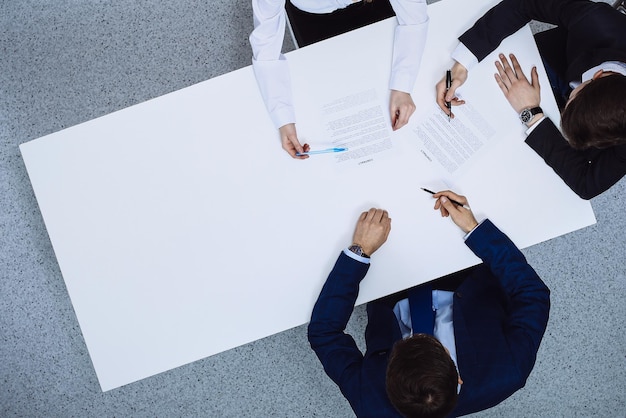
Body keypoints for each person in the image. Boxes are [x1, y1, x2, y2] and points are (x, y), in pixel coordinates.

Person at [308, 191, 550, 417]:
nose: (417, 330)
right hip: (464, 273)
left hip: (388, 285)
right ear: (458, 378)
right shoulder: (509, 371)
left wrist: (358, 252)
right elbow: (532, 293)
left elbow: (324, 333)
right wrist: (474, 229)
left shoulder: (370, 403)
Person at [435, 0, 626, 200]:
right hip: (550, 61)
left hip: (569, 123)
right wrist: (463, 64)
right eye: (573, 96)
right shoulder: (596, 21)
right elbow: (525, 3)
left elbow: (587, 185)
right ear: (598, 75)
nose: (569, 97)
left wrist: (532, 113)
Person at [250, 0, 429, 159]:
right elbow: (266, 46)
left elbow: (414, 17)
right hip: (314, 18)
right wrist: (283, 118)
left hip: (376, 8)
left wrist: (403, 84)